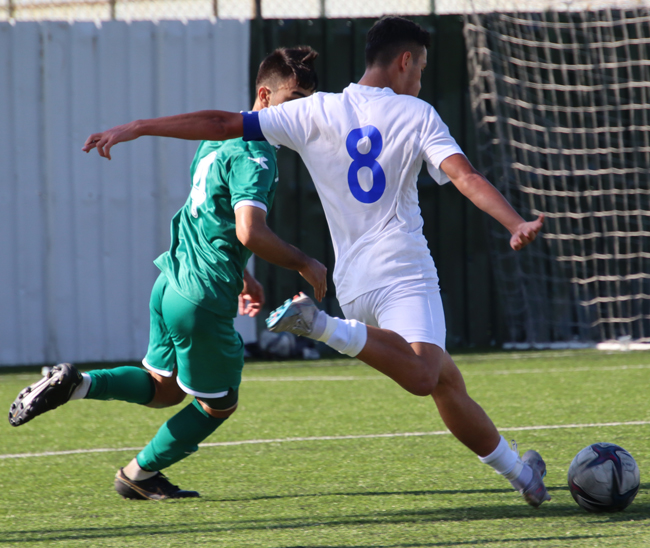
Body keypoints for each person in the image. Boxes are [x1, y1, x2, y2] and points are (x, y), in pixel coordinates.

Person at [78, 16, 549, 507]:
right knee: (425, 375)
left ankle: (524, 476)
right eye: (421, 68)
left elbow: (221, 124)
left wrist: (137, 127)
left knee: (446, 382)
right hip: (402, 271)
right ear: (405, 61)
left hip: (352, 282)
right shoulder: (417, 113)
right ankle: (321, 326)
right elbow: (465, 176)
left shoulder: (317, 109)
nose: (420, 80)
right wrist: (514, 222)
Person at [8, 46, 326, 501]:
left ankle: (77, 384)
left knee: (164, 390)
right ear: (264, 95)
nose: (301, 114)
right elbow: (249, 231)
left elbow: (211, 217)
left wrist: (244, 276)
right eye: (294, 101)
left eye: (308, 105)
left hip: (171, 282)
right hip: (201, 296)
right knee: (219, 404)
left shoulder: (218, 139)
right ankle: (138, 476)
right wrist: (304, 262)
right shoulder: (257, 154)